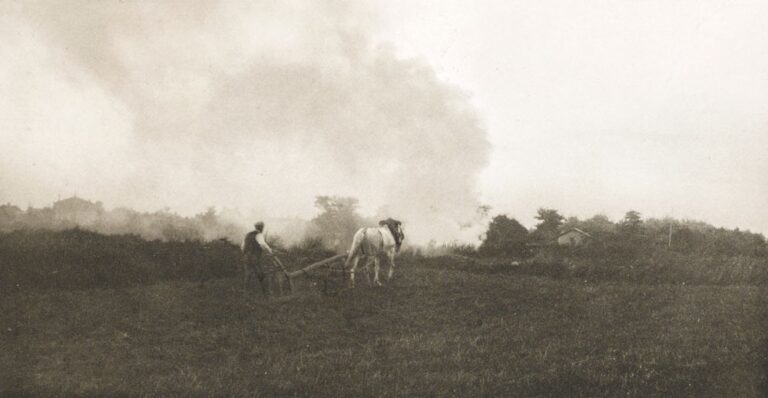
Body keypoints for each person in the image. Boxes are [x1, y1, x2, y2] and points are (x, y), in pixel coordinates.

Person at [242, 221, 282, 298]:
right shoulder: (259, 235)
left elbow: (242, 247)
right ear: (261, 228)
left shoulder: (248, 235)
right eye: (262, 227)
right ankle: (267, 296)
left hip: (246, 257)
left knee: (248, 275)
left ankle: (246, 294)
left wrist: (246, 254)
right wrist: (270, 251)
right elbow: (262, 244)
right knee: (261, 275)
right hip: (254, 258)